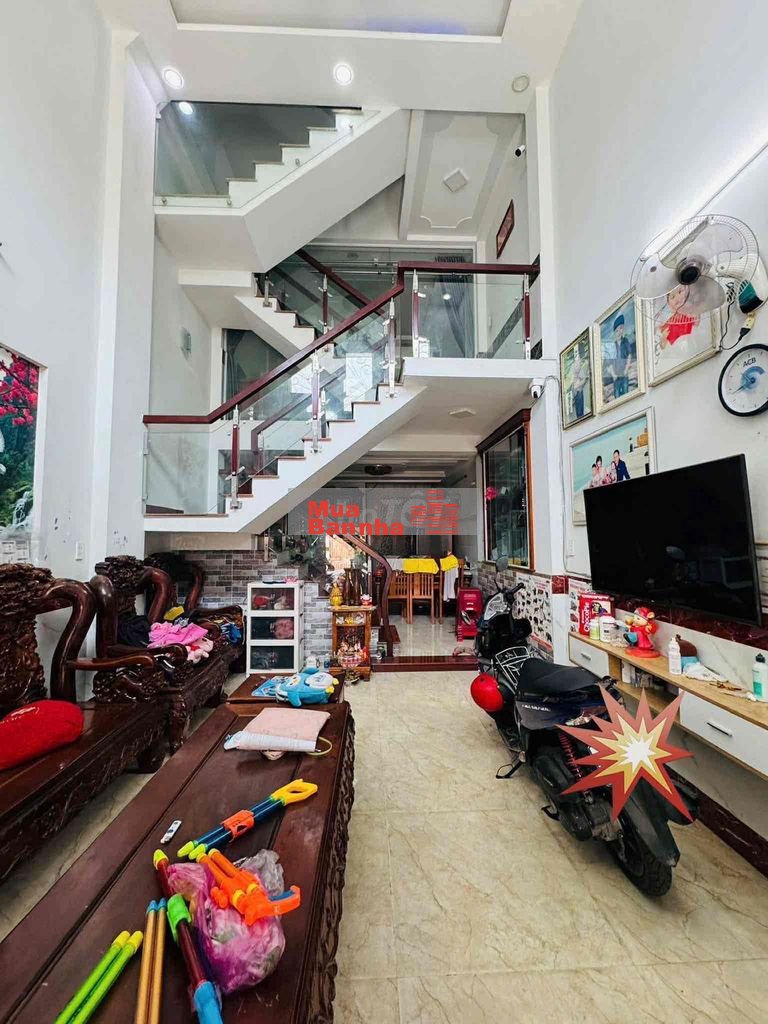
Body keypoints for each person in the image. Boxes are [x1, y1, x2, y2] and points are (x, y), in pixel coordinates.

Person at [610, 314, 632, 398]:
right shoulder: (612, 346)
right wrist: (613, 374)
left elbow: (629, 355)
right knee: (617, 395)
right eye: (617, 330)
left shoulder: (625, 341)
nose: (619, 331)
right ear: (615, 332)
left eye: (621, 328)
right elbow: (609, 363)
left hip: (624, 373)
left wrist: (626, 369)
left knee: (626, 393)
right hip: (616, 375)